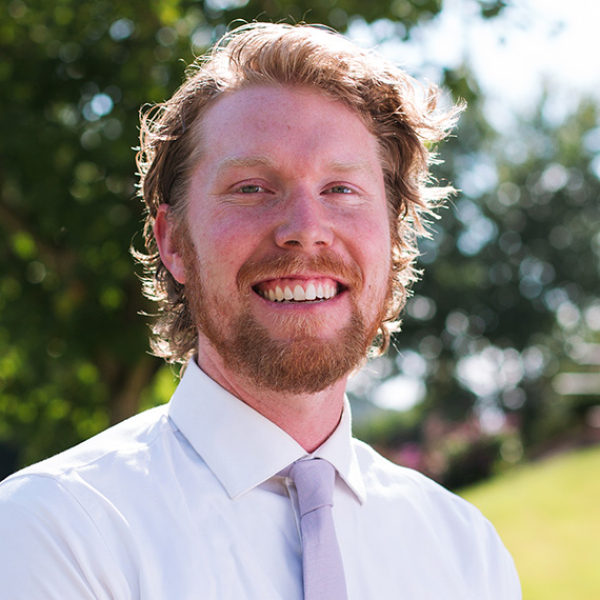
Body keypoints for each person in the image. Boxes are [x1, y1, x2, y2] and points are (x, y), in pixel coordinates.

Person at [0, 22, 521, 599]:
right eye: (252, 187)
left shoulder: (467, 553)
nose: (306, 229)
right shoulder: (53, 533)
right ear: (173, 241)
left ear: (394, 236)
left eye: (341, 189)